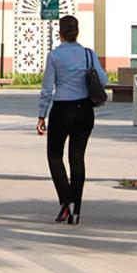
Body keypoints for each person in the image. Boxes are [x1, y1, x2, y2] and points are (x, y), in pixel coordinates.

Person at [36, 15, 108, 224]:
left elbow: (47, 88)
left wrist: (42, 114)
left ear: (60, 32)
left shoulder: (55, 56)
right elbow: (103, 79)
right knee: (77, 158)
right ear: (77, 32)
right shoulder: (88, 54)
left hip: (62, 109)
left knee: (54, 155)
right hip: (85, 110)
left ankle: (66, 201)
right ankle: (75, 208)